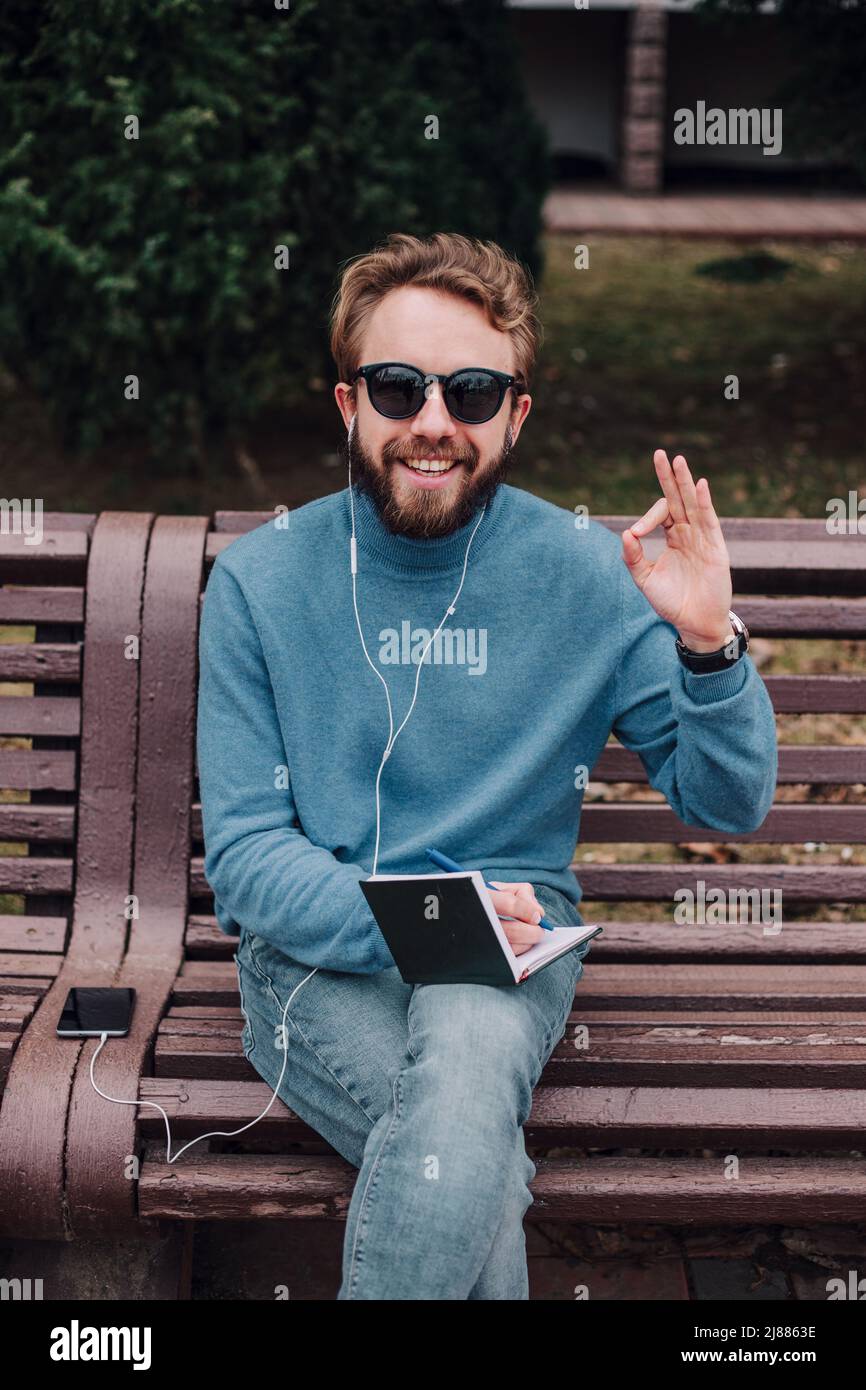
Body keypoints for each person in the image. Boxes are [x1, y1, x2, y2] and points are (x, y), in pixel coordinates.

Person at [196, 231, 777, 1300]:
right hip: (316, 958)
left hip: (509, 951)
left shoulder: (588, 576)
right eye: (396, 386)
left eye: (469, 391)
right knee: (471, 1159)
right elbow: (243, 861)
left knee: (462, 1060)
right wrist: (424, 914)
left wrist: (707, 646)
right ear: (347, 406)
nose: (431, 422)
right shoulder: (259, 581)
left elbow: (728, 802)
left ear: (514, 414)